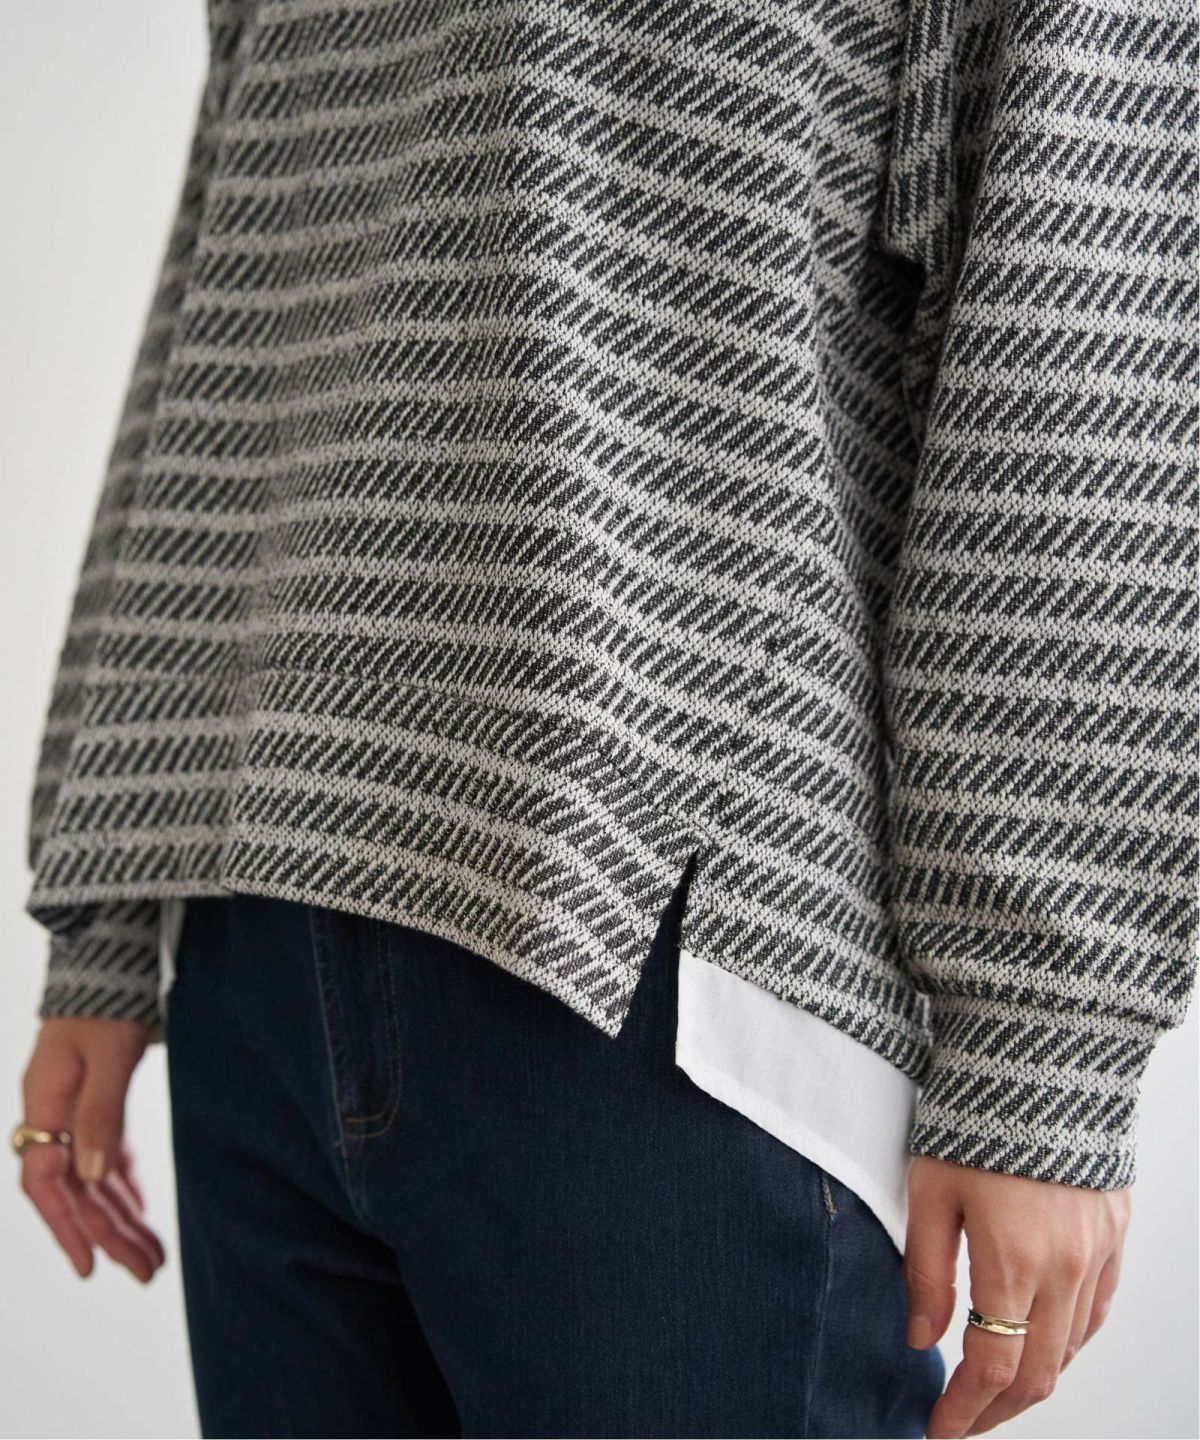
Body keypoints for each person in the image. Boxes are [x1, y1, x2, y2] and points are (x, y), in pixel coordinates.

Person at [13, 1, 1197, 1436]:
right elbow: (229, 266)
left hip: (659, 951)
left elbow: (1084, 321)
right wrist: (105, 905)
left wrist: (1047, 1041)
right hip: (254, 913)